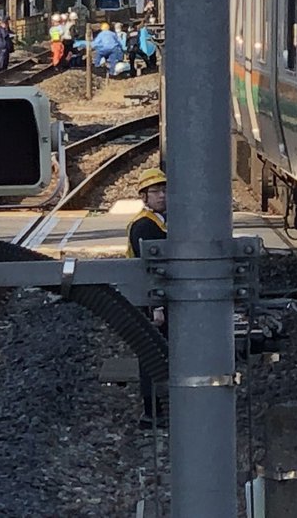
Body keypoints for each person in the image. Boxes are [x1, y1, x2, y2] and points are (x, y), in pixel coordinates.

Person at [129, 167, 168, 428]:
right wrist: (156, 307)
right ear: (144, 197)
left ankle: (157, 408)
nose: (162, 196)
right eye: (156, 192)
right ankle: (151, 412)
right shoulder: (144, 226)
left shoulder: (160, 221)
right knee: (151, 354)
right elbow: (150, 268)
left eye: (164, 190)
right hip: (149, 300)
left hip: (156, 297)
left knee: (156, 352)